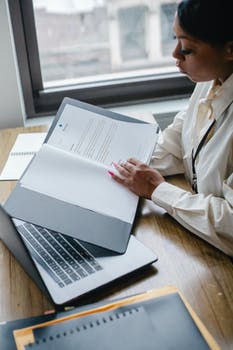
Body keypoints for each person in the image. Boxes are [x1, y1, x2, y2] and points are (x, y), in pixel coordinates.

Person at [110, 0, 233, 256]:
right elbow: (177, 143)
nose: (175, 55)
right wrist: (113, 166)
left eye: (187, 48)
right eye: (176, 39)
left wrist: (158, 190)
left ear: (230, 49)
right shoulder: (212, 81)